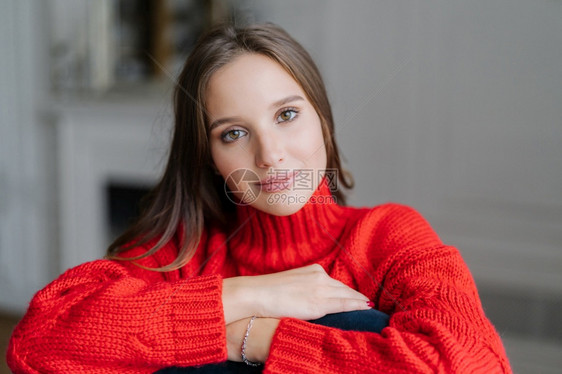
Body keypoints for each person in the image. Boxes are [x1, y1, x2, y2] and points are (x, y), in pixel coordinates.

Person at [7, 23, 512, 373]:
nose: (269, 154)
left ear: (323, 120)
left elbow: (472, 365)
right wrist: (248, 297)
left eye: (287, 115)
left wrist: (249, 340)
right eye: (232, 133)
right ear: (208, 157)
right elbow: (36, 343)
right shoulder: (185, 251)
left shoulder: (386, 234)